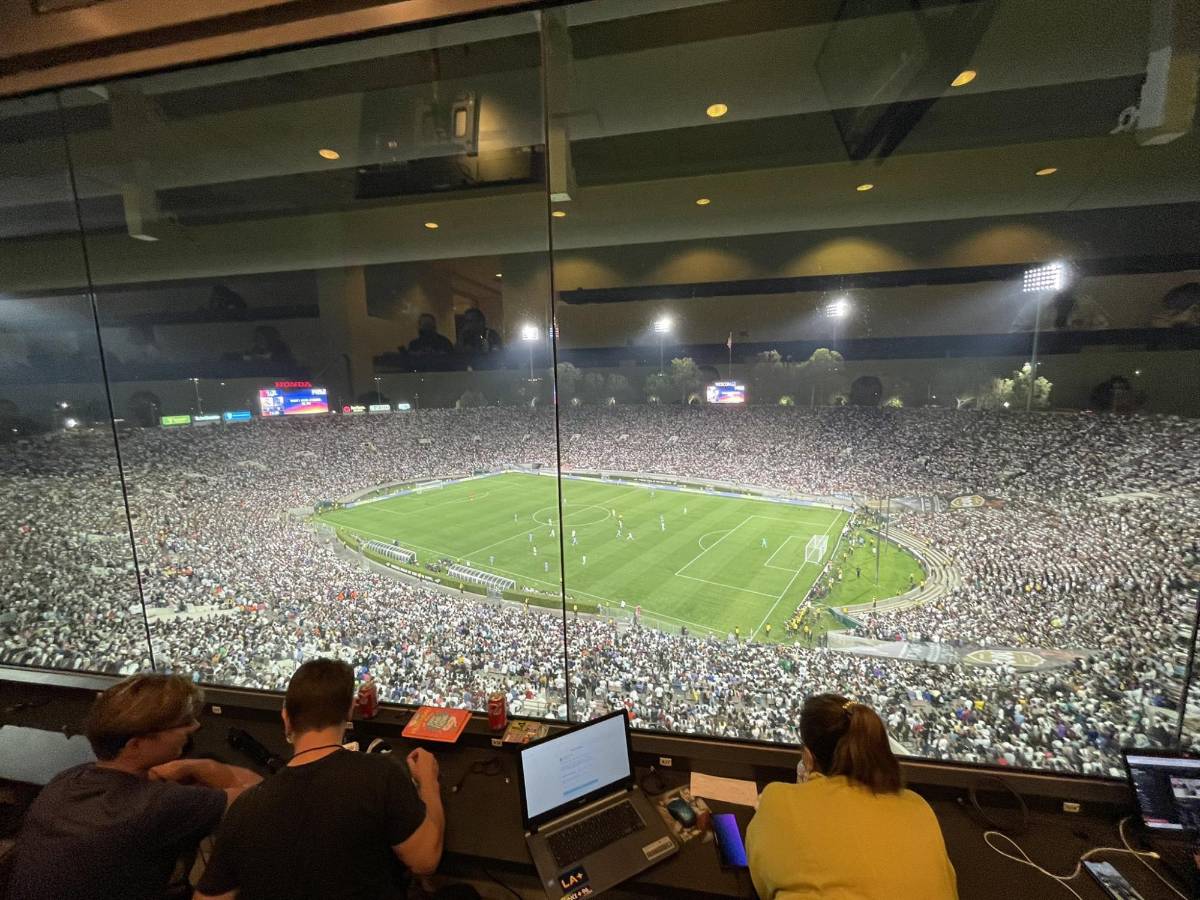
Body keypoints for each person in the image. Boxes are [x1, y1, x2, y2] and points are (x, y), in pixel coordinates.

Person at [195, 658, 444, 900]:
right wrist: (429, 782)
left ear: (286, 718)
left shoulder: (244, 809)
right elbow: (425, 861)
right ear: (349, 711)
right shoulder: (381, 774)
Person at [8, 673, 261, 900]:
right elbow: (262, 796)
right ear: (135, 745)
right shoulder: (160, 804)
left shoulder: (66, 779)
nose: (195, 726)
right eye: (182, 722)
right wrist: (203, 766)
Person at [746, 694, 957, 900]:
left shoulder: (779, 802)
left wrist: (790, 799)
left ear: (808, 758)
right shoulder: (918, 806)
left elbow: (763, 882)